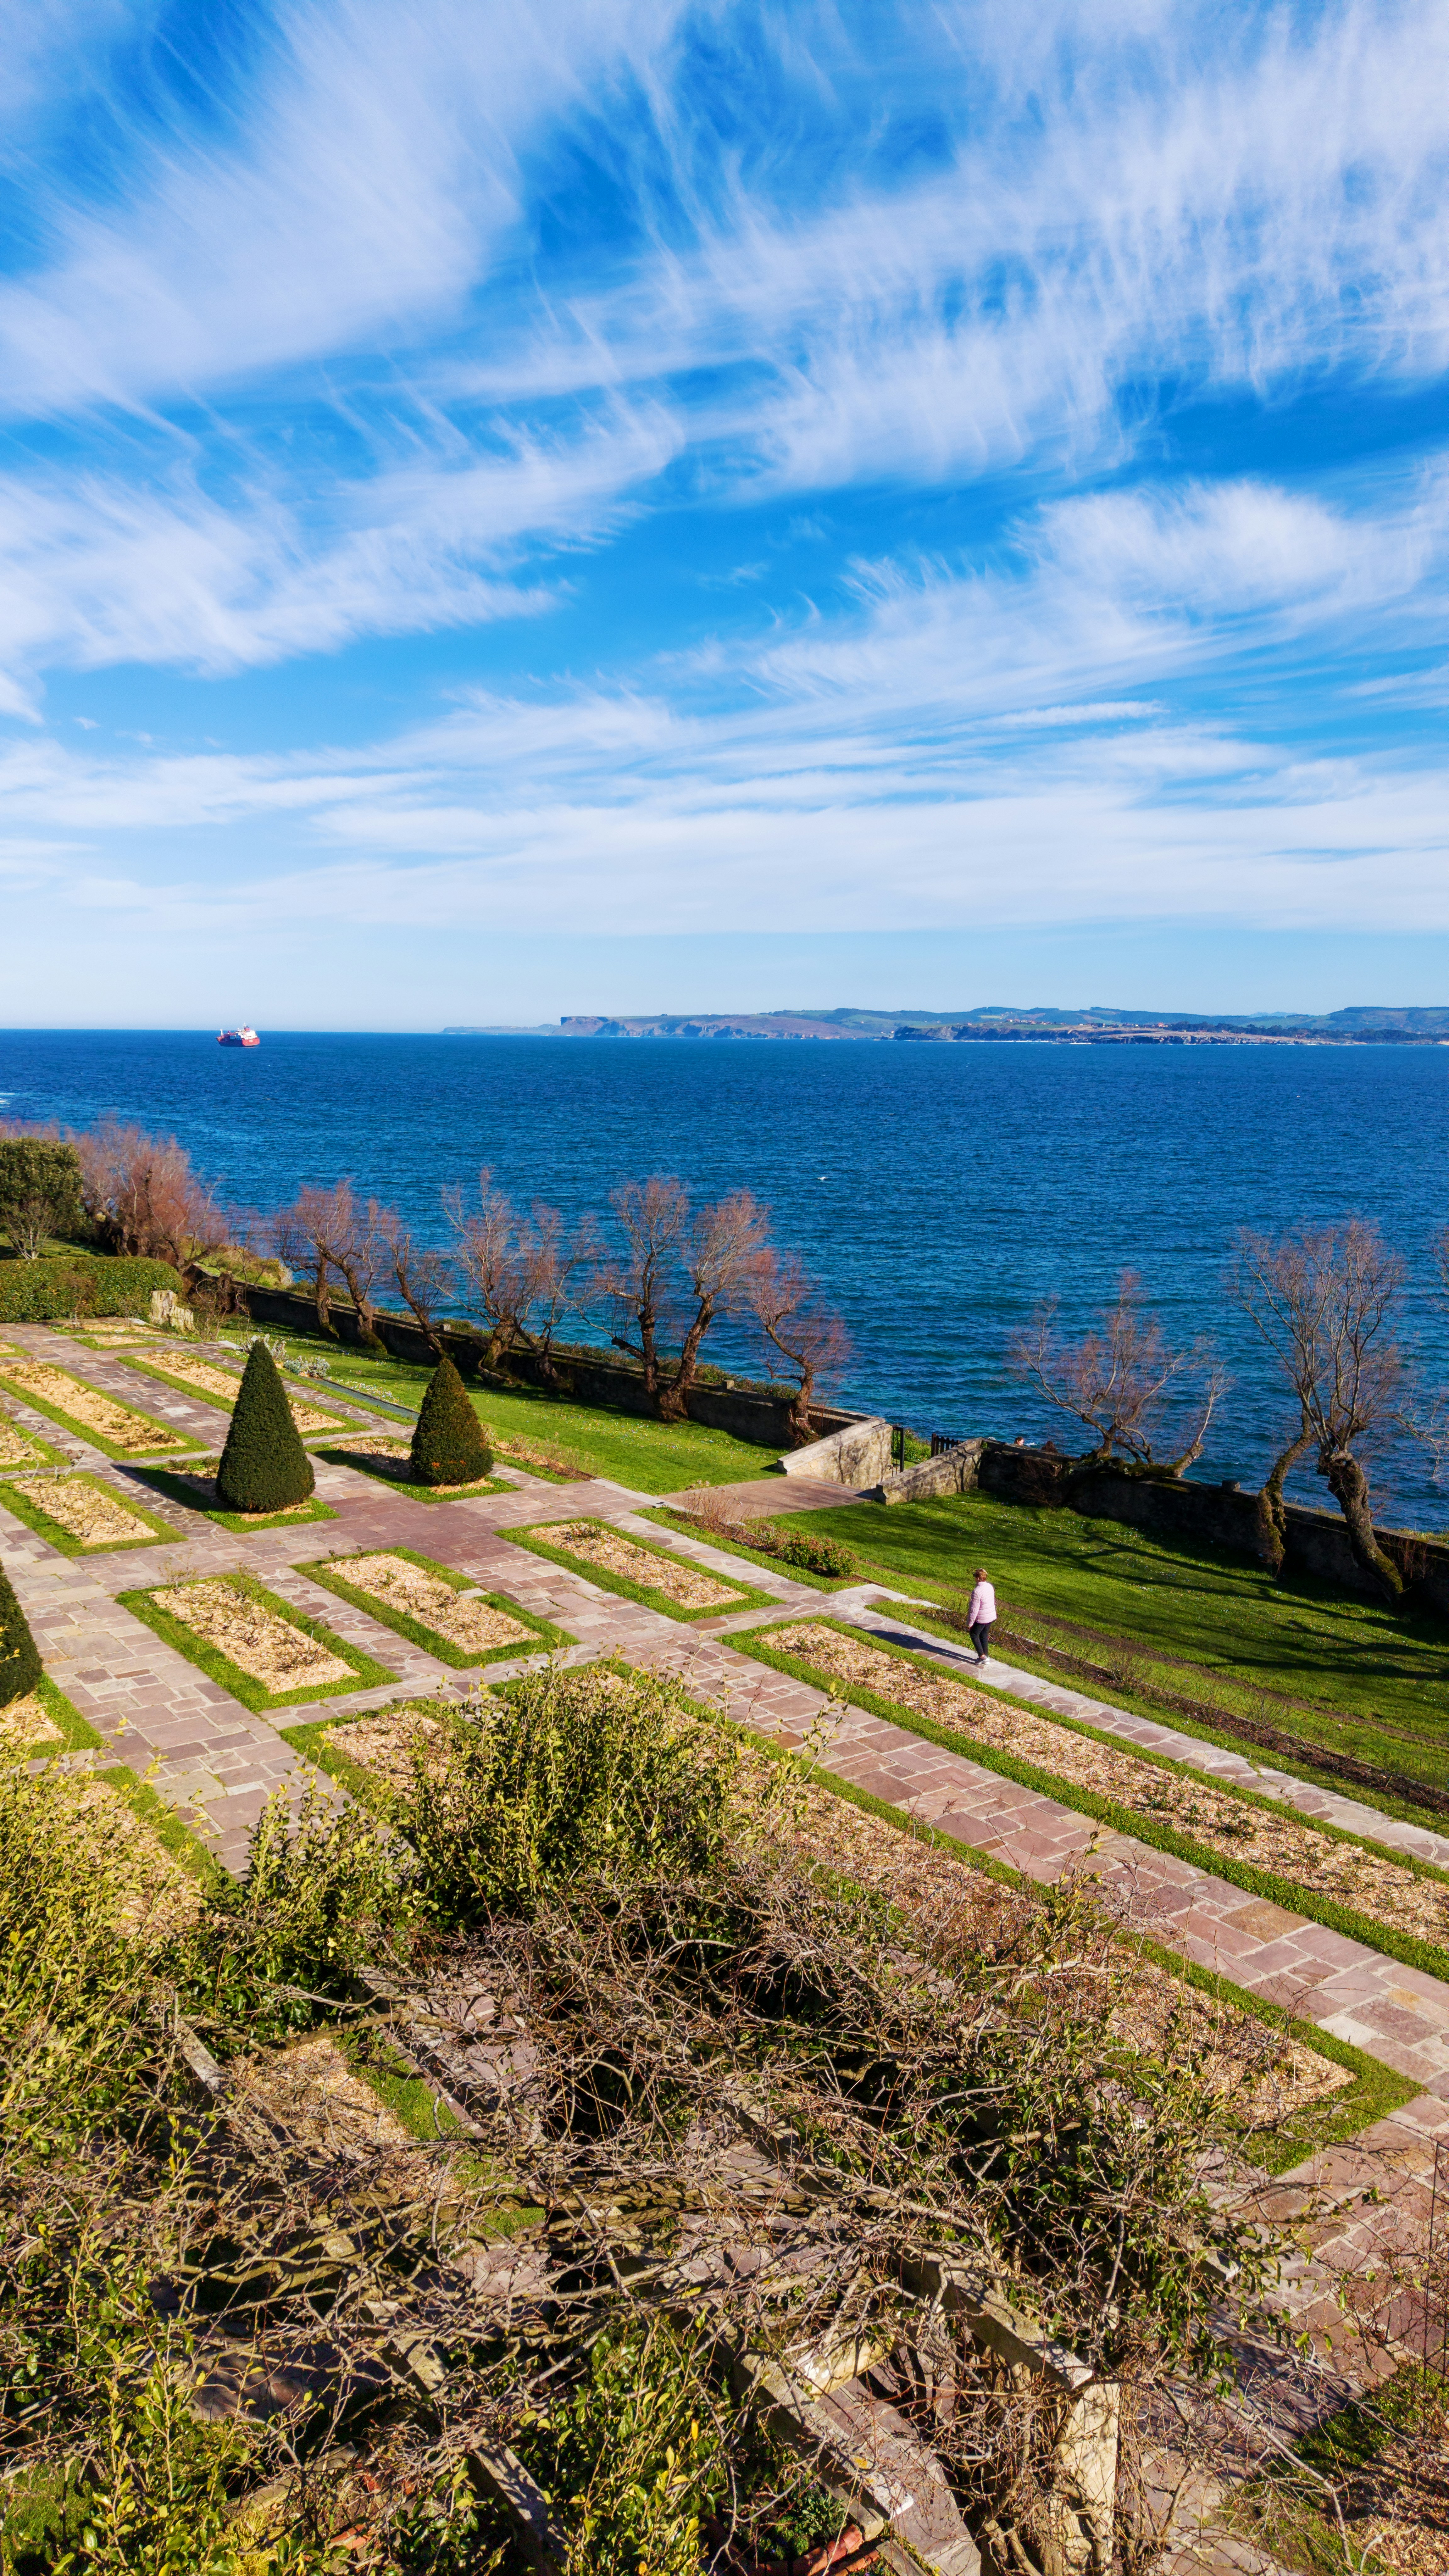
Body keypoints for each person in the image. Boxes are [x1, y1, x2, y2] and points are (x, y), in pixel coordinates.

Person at [966, 1567, 996, 1666]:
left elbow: (974, 1610)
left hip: (982, 1619)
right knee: (983, 1635)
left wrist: (970, 1623)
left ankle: (982, 1657)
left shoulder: (977, 1592)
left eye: (975, 1576)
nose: (974, 1578)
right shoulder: (989, 1586)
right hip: (991, 1616)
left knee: (974, 1634)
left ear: (978, 1578)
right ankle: (986, 1656)